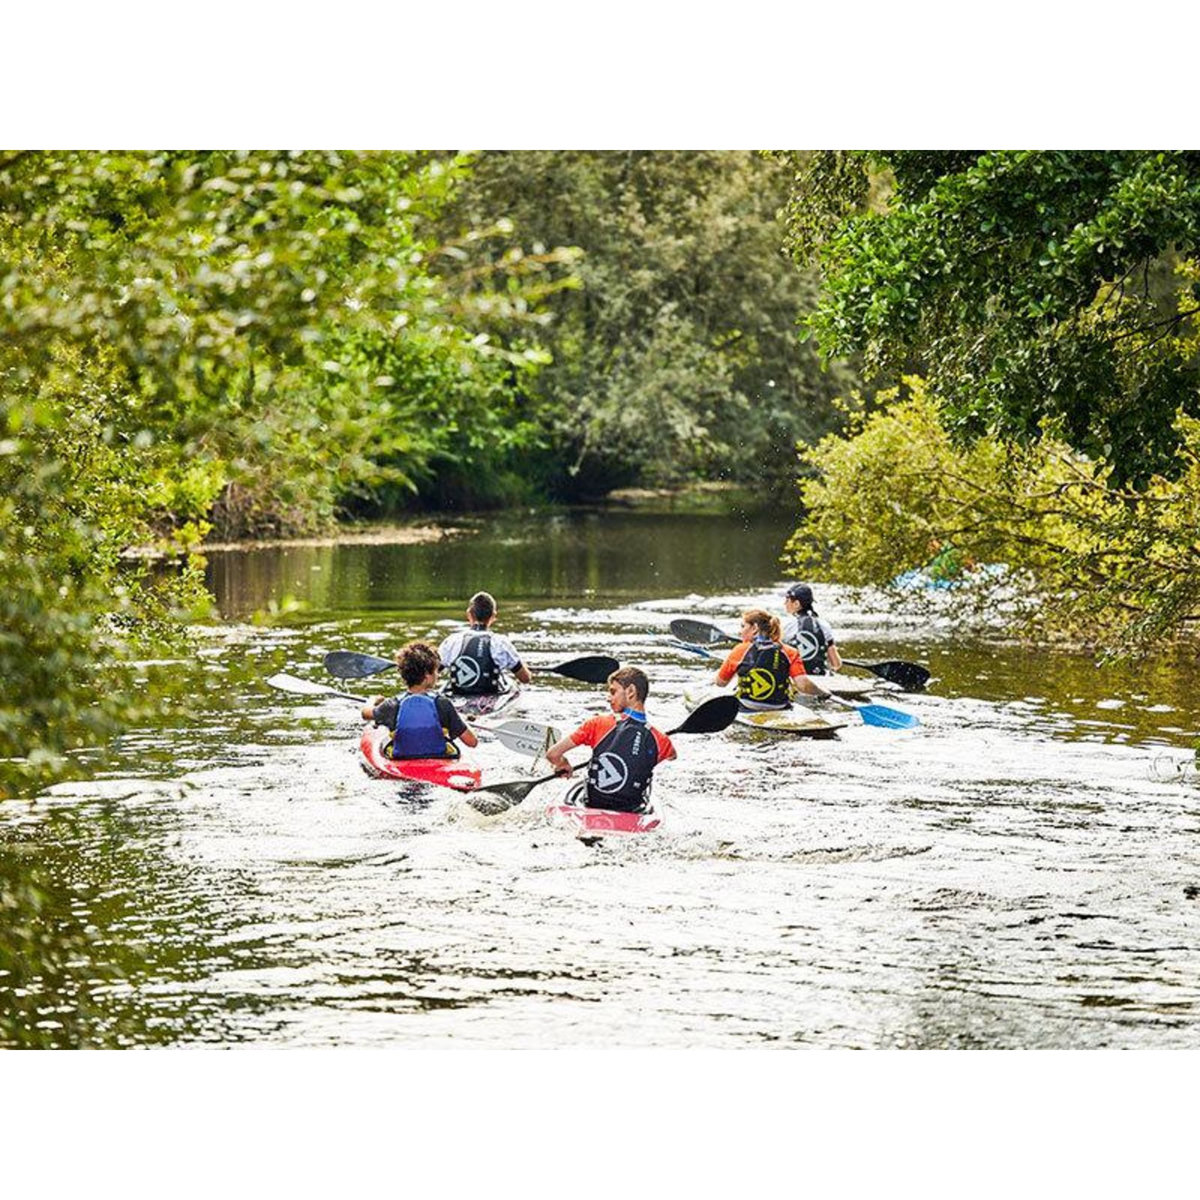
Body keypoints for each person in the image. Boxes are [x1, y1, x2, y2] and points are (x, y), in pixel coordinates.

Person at [544, 667, 677, 812]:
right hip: (632, 812)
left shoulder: (596, 724)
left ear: (631, 691)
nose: (608, 698)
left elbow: (552, 754)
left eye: (613, 692)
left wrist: (562, 763)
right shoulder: (661, 741)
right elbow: (672, 756)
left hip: (592, 808)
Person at [361, 641, 478, 759]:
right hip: (439, 757)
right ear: (427, 677)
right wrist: (460, 720)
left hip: (401, 759)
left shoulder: (392, 705)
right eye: (436, 671)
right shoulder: (443, 704)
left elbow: (365, 714)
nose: (439, 675)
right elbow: (472, 742)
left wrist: (373, 700)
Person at [713, 608, 818, 710]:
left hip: (747, 706)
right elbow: (803, 685)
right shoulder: (790, 652)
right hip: (780, 707)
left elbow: (720, 683)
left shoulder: (739, 650)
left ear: (754, 628)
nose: (740, 632)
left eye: (743, 626)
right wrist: (822, 693)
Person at [438, 590, 532, 697]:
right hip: (490, 698)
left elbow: (431, 673)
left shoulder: (451, 641)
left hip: (458, 697)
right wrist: (524, 667)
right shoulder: (501, 643)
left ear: (468, 614)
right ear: (493, 615)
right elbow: (525, 678)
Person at [780, 584, 843, 675]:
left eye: (787, 600)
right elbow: (836, 664)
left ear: (797, 604)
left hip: (796, 677)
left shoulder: (787, 625)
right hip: (820, 677)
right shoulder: (824, 625)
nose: (785, 603)